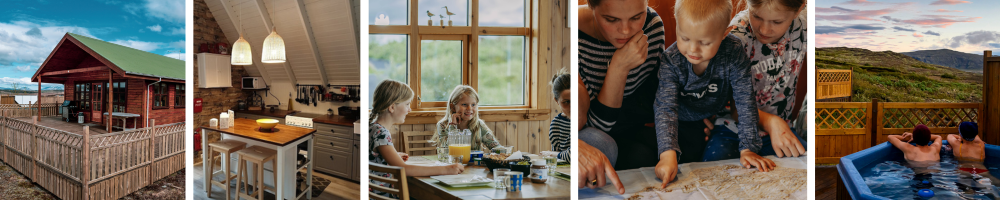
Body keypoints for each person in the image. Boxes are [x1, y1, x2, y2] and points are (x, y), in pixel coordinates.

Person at [654, 0, 773, 189]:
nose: (693, 49)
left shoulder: (733, 52)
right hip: (681, 122)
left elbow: (745, 101)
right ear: (677, 23)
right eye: (684, 38)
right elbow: (665, 109)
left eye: (705, 42)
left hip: (716, 117)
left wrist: (749, 148)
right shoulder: (672, 60)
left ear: (725, 34)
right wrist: (667, 154)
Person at [701, 0, 808, 162]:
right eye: (756, 16)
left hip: (782, 130)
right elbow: (736, 107)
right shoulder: (736, 37)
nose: (764, 29)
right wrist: (771, 122)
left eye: (777, 22)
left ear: (800, 8)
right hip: (731, 131)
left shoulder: (806, 26)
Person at [577, 0, 665, 194]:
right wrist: (619, 68)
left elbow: (661, 91)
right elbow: (592, 129)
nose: (626, 31)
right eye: (611, 19)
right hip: (596, 129)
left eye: (636, 17)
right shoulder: (572, 37)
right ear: (592, 6)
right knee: (633, 154)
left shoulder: (652, 26)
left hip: (633, 120)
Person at [369, 80, 464, 198]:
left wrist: (393, 155)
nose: (410, 109)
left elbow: (373, 157)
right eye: (407, 104)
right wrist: (446, 170)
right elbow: (404, 169)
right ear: (392, 107)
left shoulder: (373, 127)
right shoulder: (382, 132)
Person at [431, 85, 501, 151]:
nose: (469, 108)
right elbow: (450, 149)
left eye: (473, 104)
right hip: (453, 163)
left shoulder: (479, 125)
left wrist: (506, 153)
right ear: (453, 107)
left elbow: (496, 146)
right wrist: (453, 126)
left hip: (473, 164)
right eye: (464, 104)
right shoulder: (443, 125)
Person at [542, 70, 571, 161]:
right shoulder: (556, 124)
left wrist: (553, 153)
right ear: (556, 101)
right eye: (566, 102)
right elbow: (556, 160)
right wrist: (555, 154)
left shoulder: (585, 120)